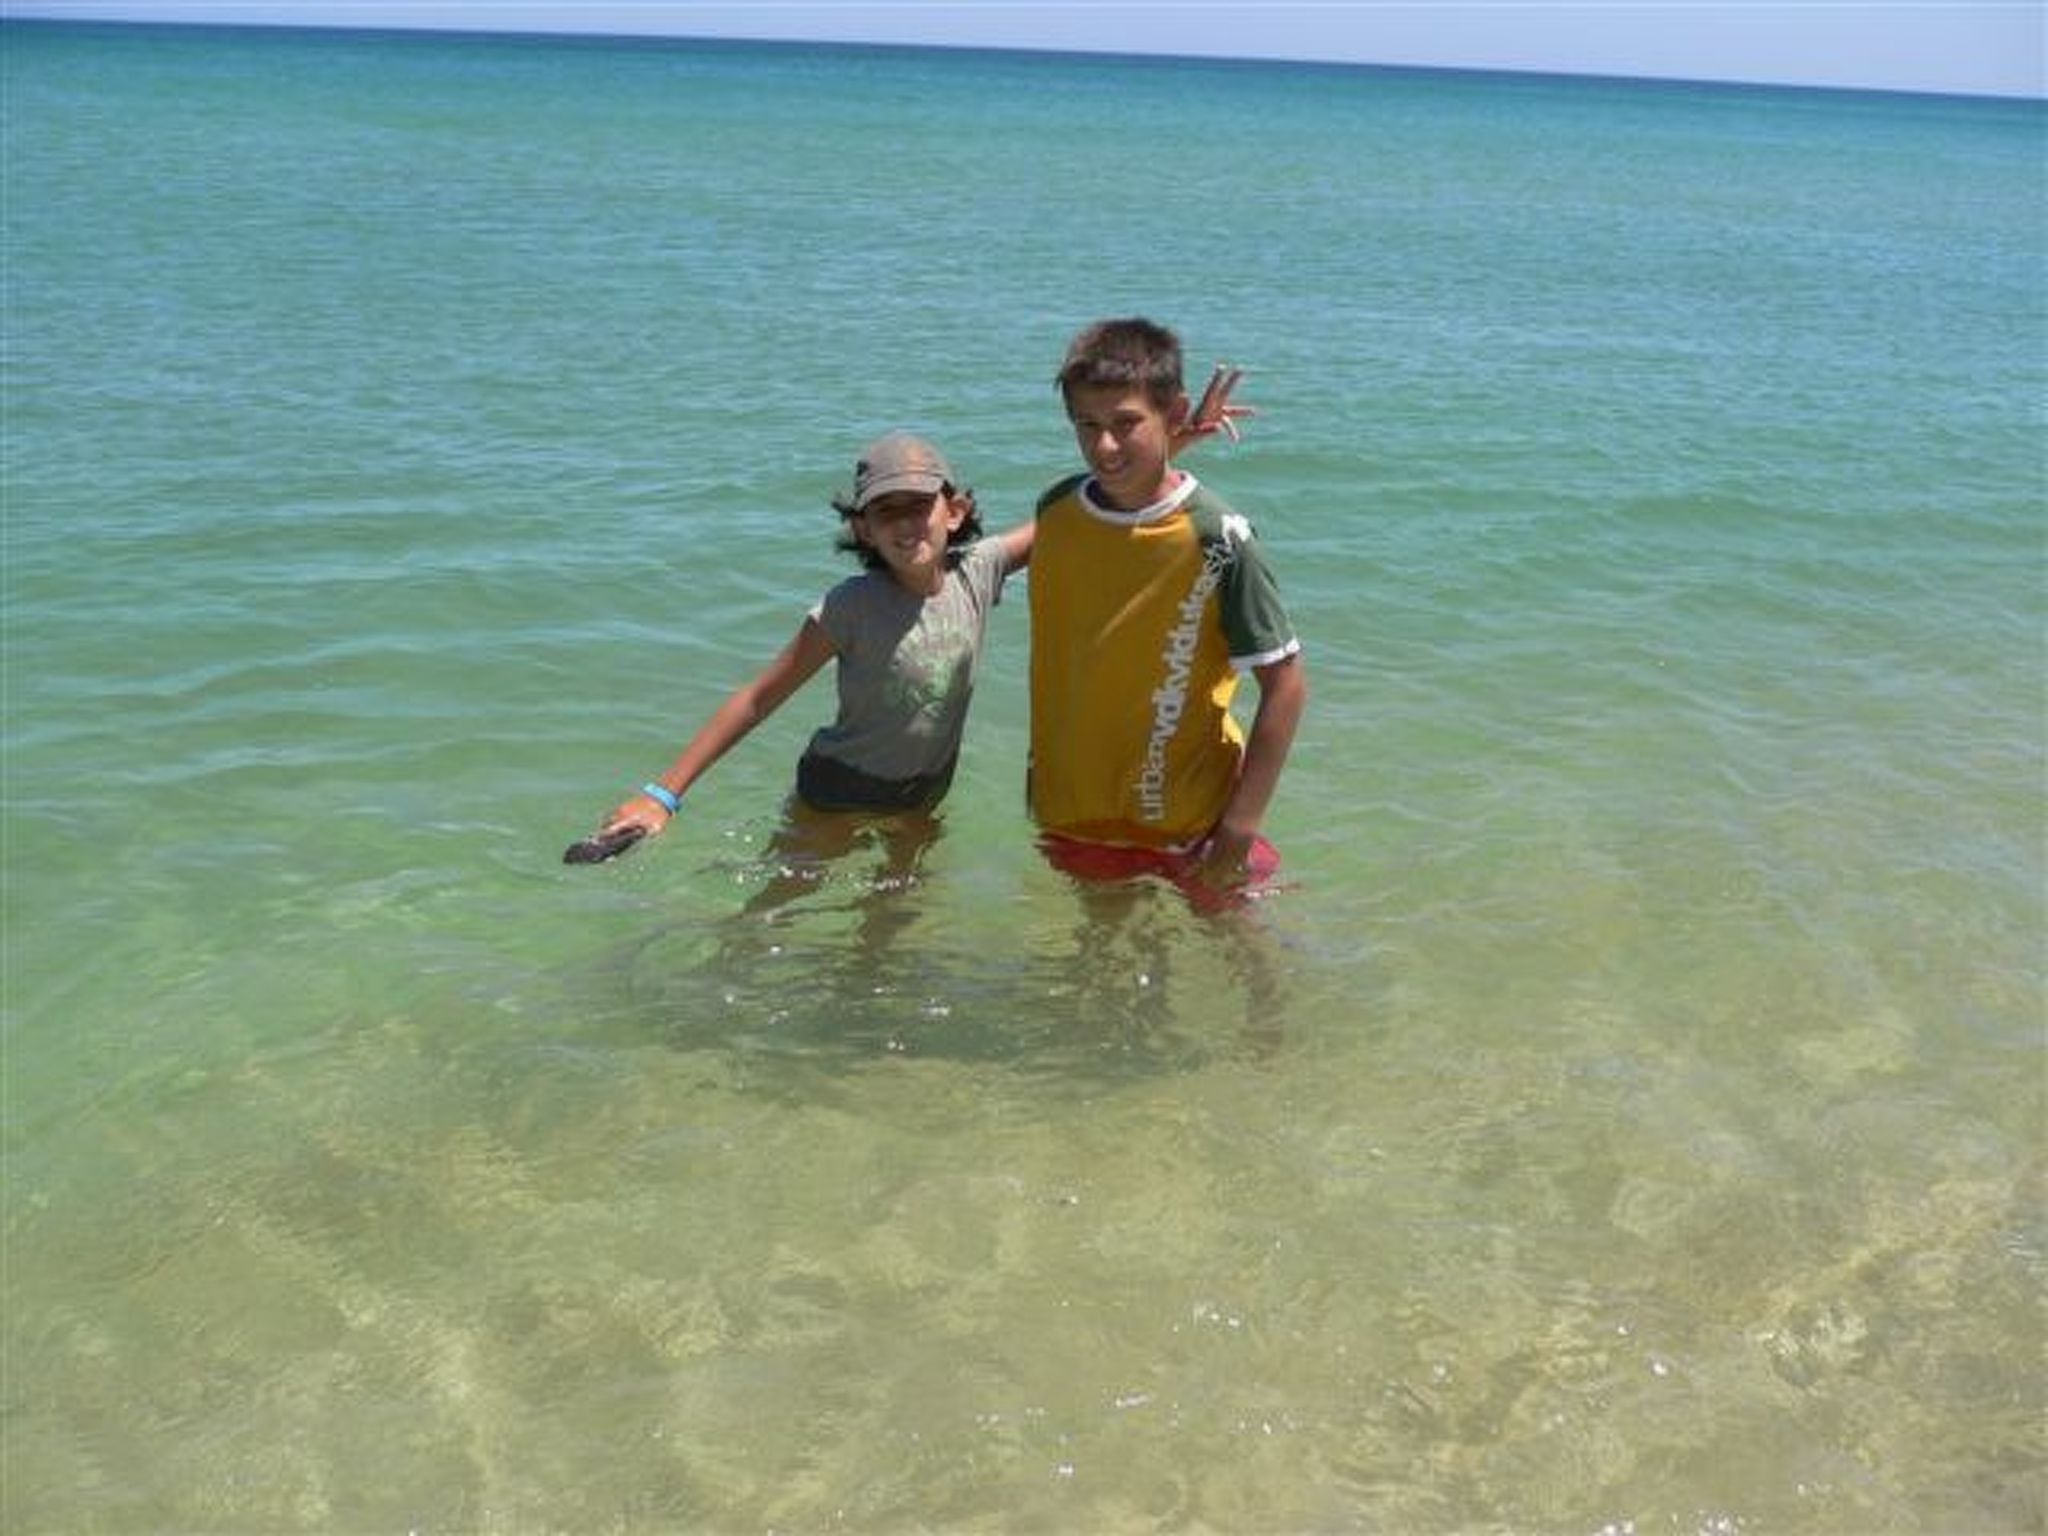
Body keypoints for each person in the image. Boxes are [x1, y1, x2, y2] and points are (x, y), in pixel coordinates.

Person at [568, 433, 1032, 865]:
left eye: (918, 505)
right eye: (886, 511)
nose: (905, 523)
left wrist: (1105, 451)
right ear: (864, 529)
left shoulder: (977, 572)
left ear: (954, 511)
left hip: (923, 794)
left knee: (897, 918)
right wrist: (662, 796)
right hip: (839, 791)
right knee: (777, 910)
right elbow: (757, 699)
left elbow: (1067, 516)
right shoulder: (850, 607)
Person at [1028, 317, 1307, 902]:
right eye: (1088, 425)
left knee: (1247, 956)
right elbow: (1118, 525)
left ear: (1173, 413)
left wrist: (1238, 830)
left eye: (1127, 423)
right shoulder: (1056, 512)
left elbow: (1285, 684)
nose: (1104, 444)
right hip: (1076, 809)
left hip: (1191, 819)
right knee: (1103, 965)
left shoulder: (1217, 537)